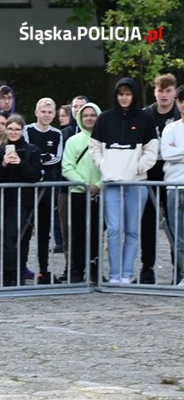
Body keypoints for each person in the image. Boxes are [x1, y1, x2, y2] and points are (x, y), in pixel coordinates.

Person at [89, 77, 158, 284]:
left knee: (132, 230)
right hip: (111, 183)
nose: (124, 98)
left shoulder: (145, 118)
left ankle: (126, 275)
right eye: (121, 94)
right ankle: (114, 274)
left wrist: (137, 168)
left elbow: (151, 151)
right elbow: (94, 147)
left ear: (133, 95)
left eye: (128, 94)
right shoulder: (105, 118)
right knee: (113, 229)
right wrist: (104, 166)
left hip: (136, 184)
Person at [140, 73, 181, 284]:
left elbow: (172, 151)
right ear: (155, 92)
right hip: (150, 171)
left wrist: (172, 150)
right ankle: (147, 267)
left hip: (173, 172)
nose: (164, 95)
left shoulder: (179, 113)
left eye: (168, 91)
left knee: (176, 222)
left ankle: (178, 268)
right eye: (160, 91)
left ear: (174, 93)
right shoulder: (146, 114)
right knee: (147, 220)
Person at [0, 114, 42, 286]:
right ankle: (10, 273)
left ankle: (19, 272)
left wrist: (20, 163)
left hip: (25, 201)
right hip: (4, 201)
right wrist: (3, 164)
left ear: (22, 130)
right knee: (7, 238)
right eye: (10, 129)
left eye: (17, 129)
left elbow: (35, 175)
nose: (13, 132)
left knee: (23, 238)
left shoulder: (32, 150)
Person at [23, 97, 63, 283]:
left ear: (54, 115)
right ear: (36, 112)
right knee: (25, 228)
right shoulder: (27, 130)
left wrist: (39, 158)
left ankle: (44, 269)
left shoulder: (57, 134)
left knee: (45, 229)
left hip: (47, 187)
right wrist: (40, 158)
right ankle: (21, 266)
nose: (46, 115)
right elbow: (28, 155)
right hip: (29, 187)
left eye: (49, 112)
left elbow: (57, 158)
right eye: (43, 111)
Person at [62, 102, 103, 284]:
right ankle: (77, 270)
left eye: (93, 115)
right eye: (85, 115)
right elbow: (67, 166)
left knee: (97, 233)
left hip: (100, 193)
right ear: (79, 118)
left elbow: (111, 165)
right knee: (77, 234)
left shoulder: (105, 140)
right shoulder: (73, 141)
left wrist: (99, 185)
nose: (89, 118)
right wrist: (85, 185)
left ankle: (95, 270)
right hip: (78, 192)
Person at [161, 86, 184, 287]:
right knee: (178, 235)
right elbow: (166, 154)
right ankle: (182, 274)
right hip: (173, 187)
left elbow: (172, 154)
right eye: (181, 101)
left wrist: (178, 152)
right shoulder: (170, 128)